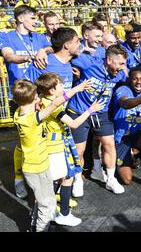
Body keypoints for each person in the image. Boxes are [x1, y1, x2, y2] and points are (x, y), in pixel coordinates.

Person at [11, 77, 90, 232]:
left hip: (33, 166)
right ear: (34, 98)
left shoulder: (17, 114)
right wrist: (76, 89)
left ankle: (33, 226)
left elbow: (43, 102)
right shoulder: (32, 119)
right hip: (38, 168)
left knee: (43, 202)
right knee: (47, 207)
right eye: (36, 96)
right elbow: (54, 104)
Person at [0, 5, 51, 199]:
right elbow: (9, 56)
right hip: (21, 97)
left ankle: (43, 177)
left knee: (44, 136)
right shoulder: (6, 36)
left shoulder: (39, 37)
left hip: (41, 94)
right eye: (33, 18)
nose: (37, 22)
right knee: (23, 140)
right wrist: (30, 57)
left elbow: (51, 46)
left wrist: (44, 49)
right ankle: (19, 177)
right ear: (20, 18)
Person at [35, 73, 104, 227]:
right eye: (59, 85)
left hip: (52, 145)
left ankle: (49, 211)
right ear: (52, 90)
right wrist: (90, 110)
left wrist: (77, 89)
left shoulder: (44, 99)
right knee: (67, 177)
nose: (62, 87)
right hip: (56, 147)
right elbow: (73, 124)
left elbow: (61, 97)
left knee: (57, 178)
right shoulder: (53, 107)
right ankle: (63, 214)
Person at [67, 44, 129, 197]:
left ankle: (111, 179)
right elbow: (66, 53)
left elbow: (125, 75)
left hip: (101, 113)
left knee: (109, 144)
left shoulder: (119, 74)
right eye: (120, 63)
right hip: (80, 111)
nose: (123, 67)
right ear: (109, 60)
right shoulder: (89, 64)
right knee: (79, 151)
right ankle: (77, 180)